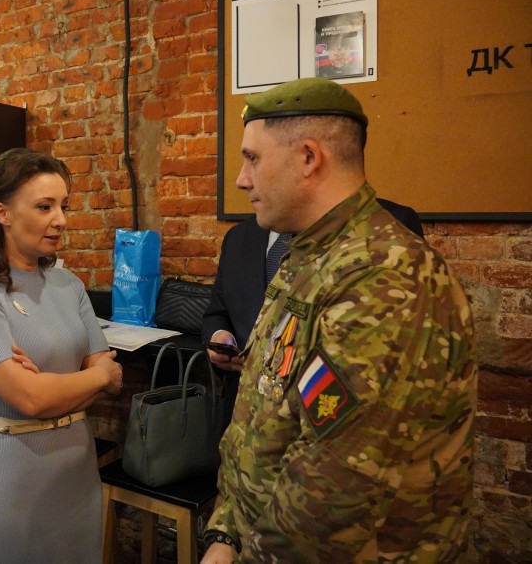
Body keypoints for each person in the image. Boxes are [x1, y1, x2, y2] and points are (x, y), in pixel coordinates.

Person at [200, 78, 476, 562]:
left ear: (309, 157)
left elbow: (331, 493)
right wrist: (225, 531)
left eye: (253, 158)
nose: (242, 179)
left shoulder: (385, 276)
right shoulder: (309, 256)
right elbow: (261, 415)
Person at [0, 148, 123, 564]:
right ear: (3, 213)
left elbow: (110, 378)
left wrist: (52, 384)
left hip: (77, 477)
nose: (60, 219)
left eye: (64, 206)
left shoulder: (68, 284)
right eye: (45, 207)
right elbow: (31, 399)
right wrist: (94, 378)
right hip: (14, 481)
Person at [202, 200, 425, 421]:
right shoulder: (238, 237)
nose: (243, 182)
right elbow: (217, 313)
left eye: (254, 166)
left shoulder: (392, 223)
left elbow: (405, 337)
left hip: (337, 417)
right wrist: (219, 336)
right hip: (244, 413)